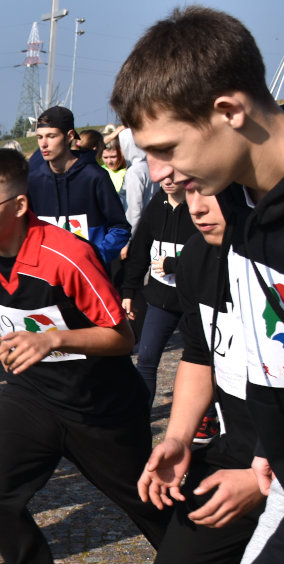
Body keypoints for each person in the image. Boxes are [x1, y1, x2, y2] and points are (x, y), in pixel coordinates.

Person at [112, 8, 284, 564]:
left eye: (165, 148)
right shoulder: (246, 213)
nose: (159, 174)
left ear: (231, 110)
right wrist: (261, 454)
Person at [0, 149, 171, 564]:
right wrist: (25, 343)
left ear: (20, 205)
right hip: (32, 395)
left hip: (102, 404)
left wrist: (52, 339)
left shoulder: (67, 254)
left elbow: (123, 338)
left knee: (151, 506)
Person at [137, 187, 264, 564]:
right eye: (186, 191)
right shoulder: (197, 256)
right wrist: (177, 439)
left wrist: (267, 477)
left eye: (210, 193)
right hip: (236, 452)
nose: (197, 207)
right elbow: (199, 354)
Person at [119, 174, 195, 409]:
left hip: (195, 302)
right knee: (147, 359)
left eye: (174, 173)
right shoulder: (156, 204)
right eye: (164, 174)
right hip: (160, 301)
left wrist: (174, 265)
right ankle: (141, 418)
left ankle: (207, 416)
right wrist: (129, 290)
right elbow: (140, 249)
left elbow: (212, 257)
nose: (168, 179)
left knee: (200, 362)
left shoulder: (201, 205)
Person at [27, 105, 132, 269]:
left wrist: (97, 256)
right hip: (47, 278)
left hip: (89, 277)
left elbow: (120, 228)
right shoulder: (33, 179)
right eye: (40, 137)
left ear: (69, 136)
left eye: (51, 136)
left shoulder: (95, 177)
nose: (43, 144)